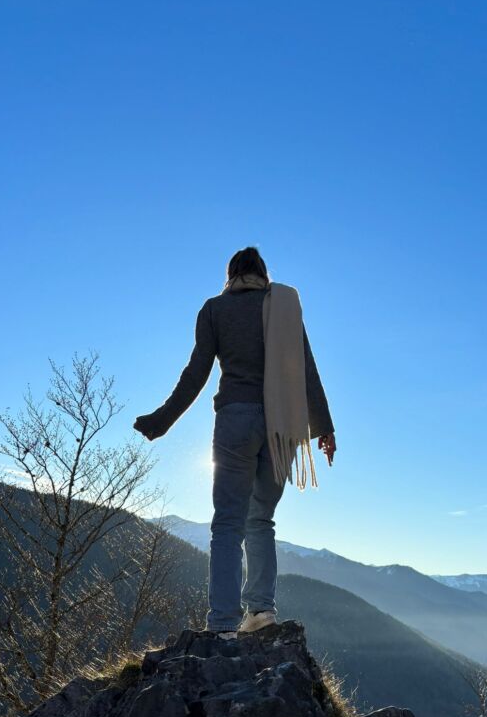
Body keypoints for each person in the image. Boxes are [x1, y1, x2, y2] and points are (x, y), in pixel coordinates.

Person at [133, 247, 336, 639]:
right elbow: (307, 368)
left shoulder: (214, 309)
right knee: (261, 520)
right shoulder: (285, 307)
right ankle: (261, 611)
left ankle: (224, 624)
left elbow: (196, 373)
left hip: (235, 420)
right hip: (281, 425)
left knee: (227, 523)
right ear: (263, 274)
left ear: (230, 275)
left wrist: (162, 420)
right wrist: (324, 427)